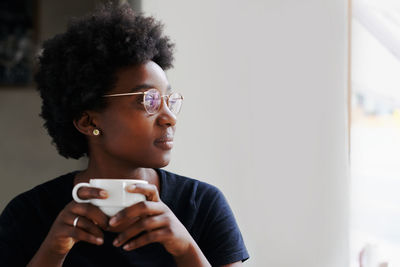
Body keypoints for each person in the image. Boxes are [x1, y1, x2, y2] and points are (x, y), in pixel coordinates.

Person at [0, 2, 249, 267]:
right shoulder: (29, 214)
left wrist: (186, 248)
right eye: (148, 101)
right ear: (87, 121)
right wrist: (52, 251)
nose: (170, 117)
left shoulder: (203, 205)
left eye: (168, 99)